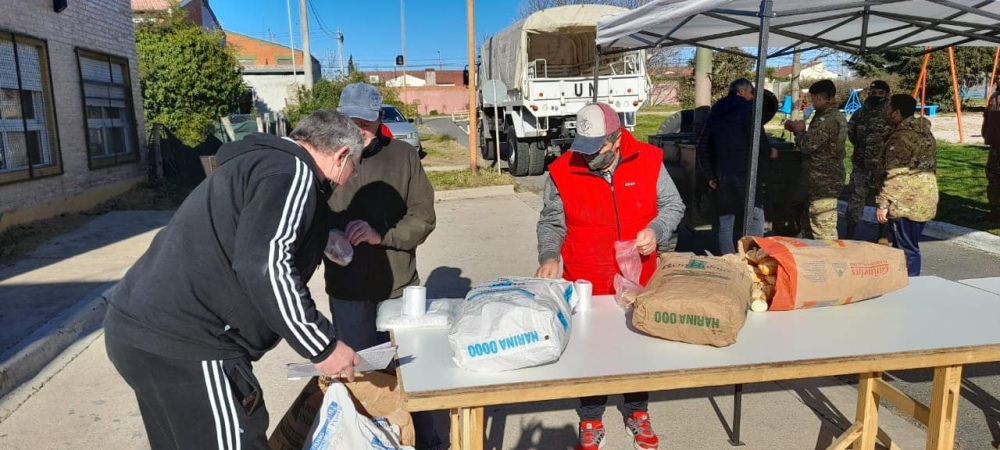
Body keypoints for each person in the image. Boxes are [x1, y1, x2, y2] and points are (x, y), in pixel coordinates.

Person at [104, 110, 364, 449]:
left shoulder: (257, 162)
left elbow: (251, 233)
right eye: (351, 171)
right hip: (191, 342)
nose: (344, 182)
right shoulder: (295, 171)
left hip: (137, 331)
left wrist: (319, 237)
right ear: (341, 155)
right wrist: (323, 346)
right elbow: (265, 265)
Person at [536, 102, 685, 450]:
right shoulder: (560, 170)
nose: (589, 158)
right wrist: (549, 255)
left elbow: (673, 206)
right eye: (584, 149)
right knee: (591, 353)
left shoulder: (649, 160)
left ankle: (637, 411)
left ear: (616, 139)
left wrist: (656, 231)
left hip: (638, 278)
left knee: (637, 347)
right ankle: (590, 417)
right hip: (586, 280)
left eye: (597, 149)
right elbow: (551, 221)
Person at [324, 82, 442, 450]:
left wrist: (384, 235)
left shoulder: (404, 156)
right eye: (351, 119)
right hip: (348, 291)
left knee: (411, 372)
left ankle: (426, 441)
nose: (359, 128)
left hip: (399, 289)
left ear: (379, 119)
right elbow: (307, 217)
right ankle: (373, 441)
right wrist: (326, 238)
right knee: (361, 376)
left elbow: (424, 216)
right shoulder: (327, 158)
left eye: (366, 121)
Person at [697, 78, 777, 254]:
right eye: (750, 93)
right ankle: (753, 255)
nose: (752, 96)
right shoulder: (748, 109)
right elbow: (758, 139)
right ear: (741, 91)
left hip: (722, 174)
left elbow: (703, 145)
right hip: (747, 173)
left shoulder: (715, 112)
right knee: (755, 216)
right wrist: (769, 152)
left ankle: (728, 259)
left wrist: (710, 175)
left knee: (726, 220)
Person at [876, 94, 938, 276]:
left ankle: (910, 285)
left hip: (906, 202)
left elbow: (897, 174)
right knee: (907, 245)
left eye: (888, 108)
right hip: (924, 197)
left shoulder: (901, 139)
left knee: (906, 249)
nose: (885, 112)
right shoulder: (923, 132)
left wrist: (883, 204)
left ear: (896, 112)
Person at [784, 79, 847, 240]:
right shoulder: (828, 116)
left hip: (824, 179)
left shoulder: (827, 119)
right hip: (819, 178)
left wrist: (799, 132)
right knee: (809, 223)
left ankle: (830, 259)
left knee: (823, 227)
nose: (812, 102)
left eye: (813, 98)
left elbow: (807, 146)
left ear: (819, 97)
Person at [846, 80, 893, 242]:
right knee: (855, 199)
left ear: (887, 94)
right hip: (861, 164)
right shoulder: (860, 112)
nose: (876, 96)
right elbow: (851, 132)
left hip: (882, 165)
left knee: (883, 199)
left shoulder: (890, 113)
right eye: (873, 93)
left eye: (880, 93)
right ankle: (850, 233)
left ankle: (883, 235)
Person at [983, 84, 1000, 221]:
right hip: (995, 145)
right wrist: (985, 133)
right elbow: (986, 117)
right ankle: (994, 210)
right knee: (993, 176)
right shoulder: (994, 98)